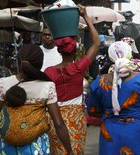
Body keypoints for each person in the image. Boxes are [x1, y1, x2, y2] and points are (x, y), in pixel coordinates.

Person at [87, 41, 140, 155]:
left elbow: (92, 111)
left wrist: (110, 113)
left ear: (109, 59)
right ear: (131, 57)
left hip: (109, 132)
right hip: (136, 133)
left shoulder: (98, 83)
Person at [44, 5, 101, 154]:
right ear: (76, 50)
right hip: (75, 117)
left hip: (54, 118)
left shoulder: (49, 72)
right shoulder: (77, 68)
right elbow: (96, 43)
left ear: (58, 50)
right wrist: (85, 16)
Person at [0, 44, 73, 154]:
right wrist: (70, 151)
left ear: (18, 62)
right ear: (40, 63)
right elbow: (59, 124)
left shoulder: (3, 83)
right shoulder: (47, 86)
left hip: (6, 147)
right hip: (36, 147)